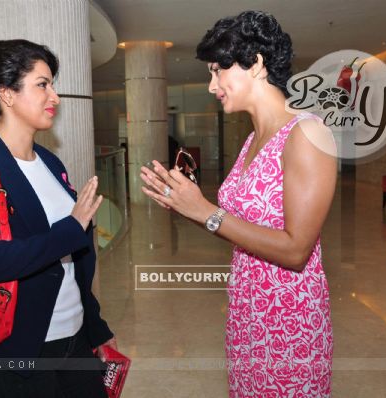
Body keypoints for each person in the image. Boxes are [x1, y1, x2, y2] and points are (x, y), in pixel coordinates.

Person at [140, 11, 337, 397]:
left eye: (218, 71)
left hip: (288, 321)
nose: (212, 85)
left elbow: (296, 249)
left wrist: (204, 210)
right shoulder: (253, 139)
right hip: (248, 311)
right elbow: (239, 226)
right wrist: (188, 206)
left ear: (257, 64)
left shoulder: (308, 133)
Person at [0, 39, 114, 398]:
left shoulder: (51, 163)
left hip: (74, 339)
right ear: (6, 93)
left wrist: (94, 326)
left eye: (52, 84)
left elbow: (75, 262)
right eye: (42, 84)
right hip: (16, 351)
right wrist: (69, 229)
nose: (55, 97)